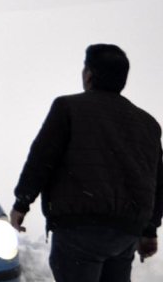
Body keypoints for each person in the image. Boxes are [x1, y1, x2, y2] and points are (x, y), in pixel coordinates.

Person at [10, 44, 162, 282]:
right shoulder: (148, 124)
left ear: (89, 75)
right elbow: (156, 181)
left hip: (79, 228)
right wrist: (150, 229)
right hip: (125, 233)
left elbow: (42, 158)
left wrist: (22, 202)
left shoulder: (67, 107)